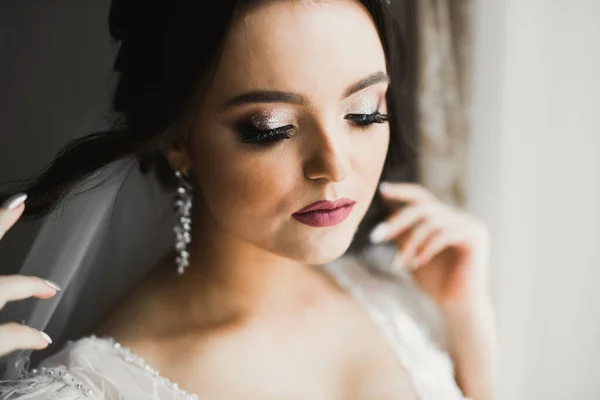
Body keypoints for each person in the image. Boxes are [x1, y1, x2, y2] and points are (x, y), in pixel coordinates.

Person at [0, 0, 496, 399]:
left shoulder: (403, 293)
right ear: (179, 140)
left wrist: (468, 323)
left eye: (364, 113)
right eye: (271, 129)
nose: (335, 166)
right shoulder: (94, 390)